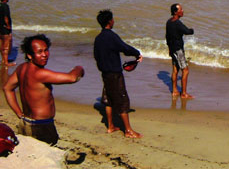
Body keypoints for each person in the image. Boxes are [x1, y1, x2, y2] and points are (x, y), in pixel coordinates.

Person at [2, 34, 84, 145]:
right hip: (41, 127)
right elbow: (72, 78)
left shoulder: (22, 68)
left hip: (25, 123)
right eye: (39, 52)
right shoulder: (40, 73)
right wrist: (79, 68)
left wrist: (19, 113)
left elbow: (7, 88)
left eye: (46, 50)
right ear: (30, 55)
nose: (44, 55)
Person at [94, 9, 142, 138]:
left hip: (105, 74)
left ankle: (110, 126)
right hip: (115, 74)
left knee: (108, 99)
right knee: (122, 101)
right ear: (110, 21)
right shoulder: (111, 36)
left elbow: (96, 56)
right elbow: (124, 48)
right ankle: (128, 130)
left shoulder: (98, 38)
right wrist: (137, 53)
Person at [165, 3, 194, 99]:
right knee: (185, 70)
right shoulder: (178, 23)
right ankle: (184, 93)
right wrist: (192, 30)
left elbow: (167, 37)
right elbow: (187, 31)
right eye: (180, 10)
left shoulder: (169, 22)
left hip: (172, 49)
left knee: (175, 69)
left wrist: (169, 49)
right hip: (178, 50)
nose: (182, 11)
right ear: (175, 12)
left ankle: (174, 91)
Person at [0, 0, 14, 67]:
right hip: (5, 28)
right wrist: (8, 26)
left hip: (0, 28)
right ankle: (6, 62)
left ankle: (3, 60)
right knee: (5, 46)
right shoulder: (5, 6)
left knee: (1, 45)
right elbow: (6, 17)